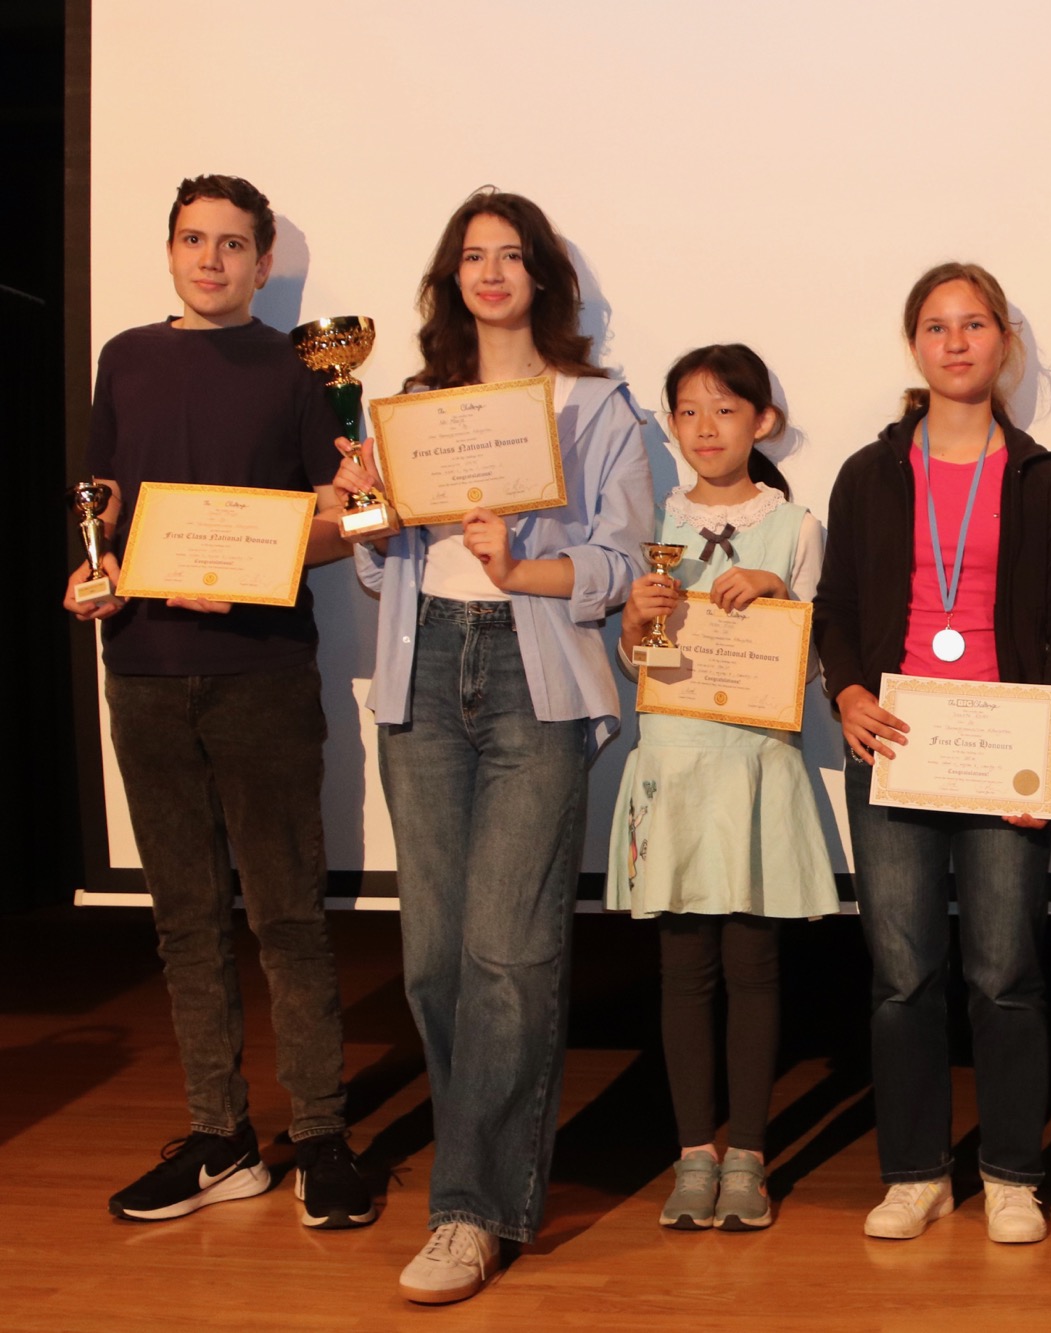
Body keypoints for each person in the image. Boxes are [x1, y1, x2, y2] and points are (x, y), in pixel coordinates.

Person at [335, 188, 651, 1303]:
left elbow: (625, 560)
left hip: (533, 674)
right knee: (433, 960)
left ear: (542, 276)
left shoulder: (598, 406)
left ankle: (470, 1209)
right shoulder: (416, 405)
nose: (491, 271)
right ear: (451, 278)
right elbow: (376, 563)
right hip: (424, 668)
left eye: (511, 254)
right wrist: (367, 506)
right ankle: (476, 1170)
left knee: (509, 956)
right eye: (473, 255)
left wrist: (523, 567)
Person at [66, 174, 374, 1231]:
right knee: (186, 919)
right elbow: (103, 500)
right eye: (194, 240)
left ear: (262, 261)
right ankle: (221, 1139)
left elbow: (341, 524)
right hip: (144, 669)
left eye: (233, 244)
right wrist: (97, 566)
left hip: (262, 672)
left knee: (288, 914)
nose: (211, 259)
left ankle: (323, 1137)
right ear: (169, 250)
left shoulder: (300, 370)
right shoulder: (125, 357)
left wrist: (261, 566)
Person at [813, 261, 1051, 1245]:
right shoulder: (869, 473)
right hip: (894, 747)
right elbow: (835, 608)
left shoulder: (1041, 481)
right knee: (901, 976)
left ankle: (1012, 1172)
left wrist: (1045, 752)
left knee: (1005, 973)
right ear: (915, 345)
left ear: (1002, 343)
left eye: (975, 324)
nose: (957, 341)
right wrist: (846, 690)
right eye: (937, 326)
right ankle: (915, 1172)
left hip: (1003, 752)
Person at [607, 344, 837, 1231]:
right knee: (683, 971)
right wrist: (637, 622)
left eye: (726, 409)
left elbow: (808, 665)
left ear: (763, 421)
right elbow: (637, 660)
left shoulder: (796, 526)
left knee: (753, 965)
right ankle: (692, 1153)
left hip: (752, 764)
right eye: (689, 411)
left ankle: (748, 1155)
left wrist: (778, 593)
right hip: (674, 760)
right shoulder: (650, 520)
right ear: (672, 425)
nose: (706, 428)